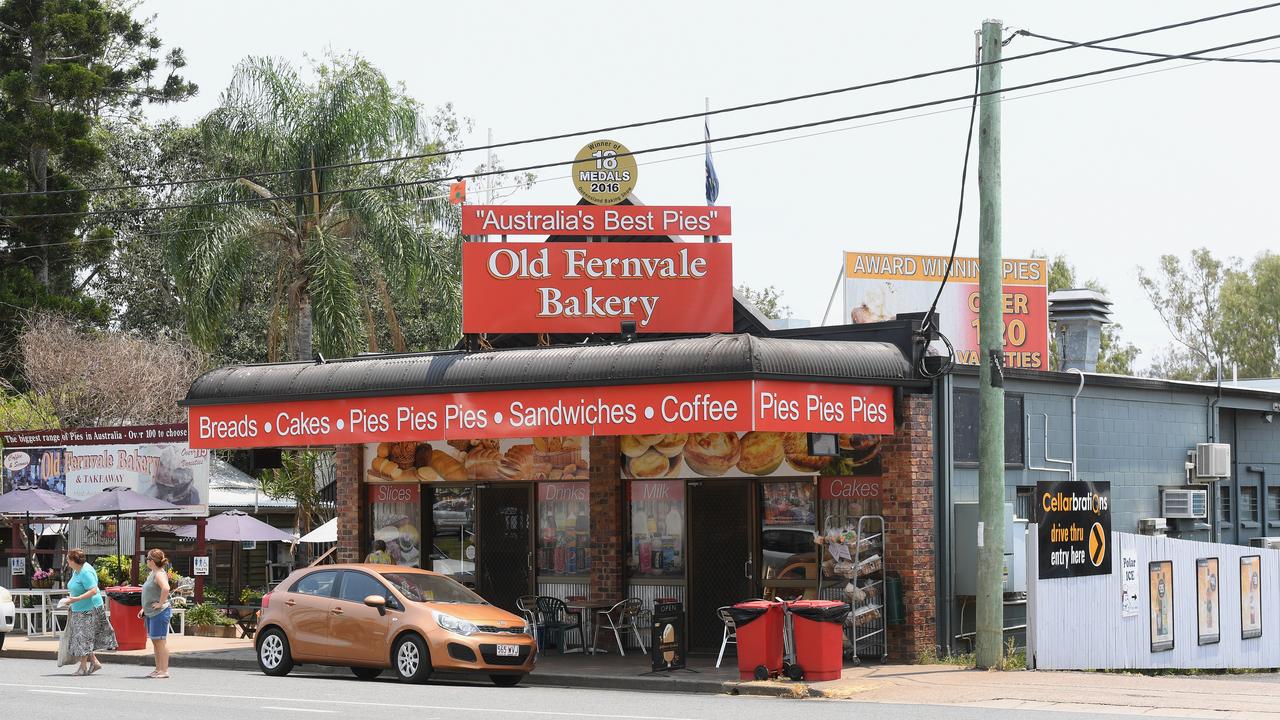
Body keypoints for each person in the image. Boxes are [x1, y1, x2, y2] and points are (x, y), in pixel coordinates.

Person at [60, 548, 117, 676]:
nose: (67, 561)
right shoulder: (76, 571)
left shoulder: (85, 571)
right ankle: (94, 662)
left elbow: (93, 590)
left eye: (68, 558)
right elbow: (76, 588)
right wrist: (71, 602)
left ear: (74, 560)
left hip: (89, 608)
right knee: (81, 637)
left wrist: (76, 599)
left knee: (84, 638)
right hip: (78, 608)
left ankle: (83, 667)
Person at [137, 549, 172, 678]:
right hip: (151, 612)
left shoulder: (159, 574)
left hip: (160, 612)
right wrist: (144, 609)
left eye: (147, 559)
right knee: (155, 641)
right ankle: (158, 669)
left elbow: (166, 588)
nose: (146, 561)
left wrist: (160, 603)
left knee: (160, 641)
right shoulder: (152, 573)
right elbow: (150, 594)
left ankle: (164, 670)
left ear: (152, 561)